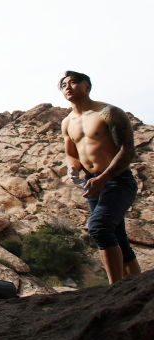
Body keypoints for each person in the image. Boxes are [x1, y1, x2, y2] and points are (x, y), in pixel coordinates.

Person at [60, 70, 141, 284]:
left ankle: (114, 289)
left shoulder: (108, 112)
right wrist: (72, 168)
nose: (67, 86)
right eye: (63, 84)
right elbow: (71, 153)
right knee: (118, 238)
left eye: (73, 82)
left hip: (118, 180)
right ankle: (139, 286)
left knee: (99, 227)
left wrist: (104, 178)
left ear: (87, 86)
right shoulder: (67, 122)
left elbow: (127, 150)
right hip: (93, 184)